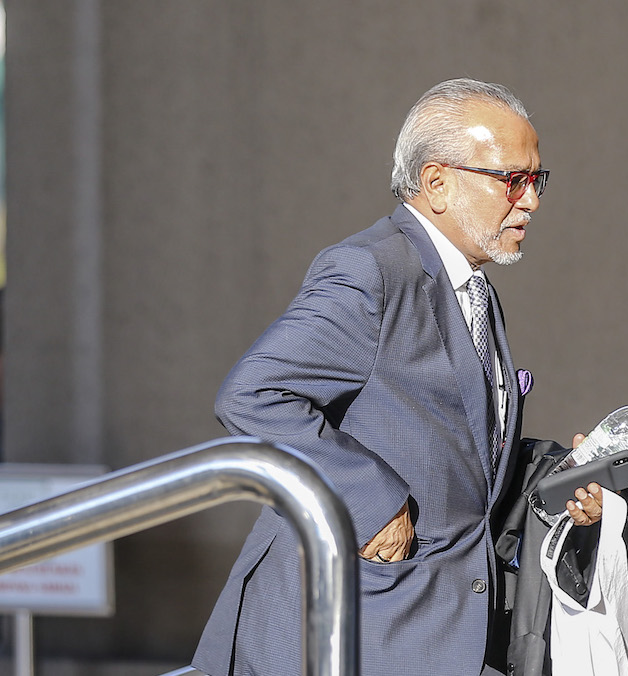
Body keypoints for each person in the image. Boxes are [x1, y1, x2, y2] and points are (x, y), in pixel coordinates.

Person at [192, 78, 605, 676]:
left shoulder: (474, 289)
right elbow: (254, 393)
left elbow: (456, 456)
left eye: (537, 180)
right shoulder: (371, 270)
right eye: (513, 179)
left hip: (441, 634)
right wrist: (371, 496)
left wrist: (558, 484)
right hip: (355, 631)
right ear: (437, 182)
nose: (532, 200)